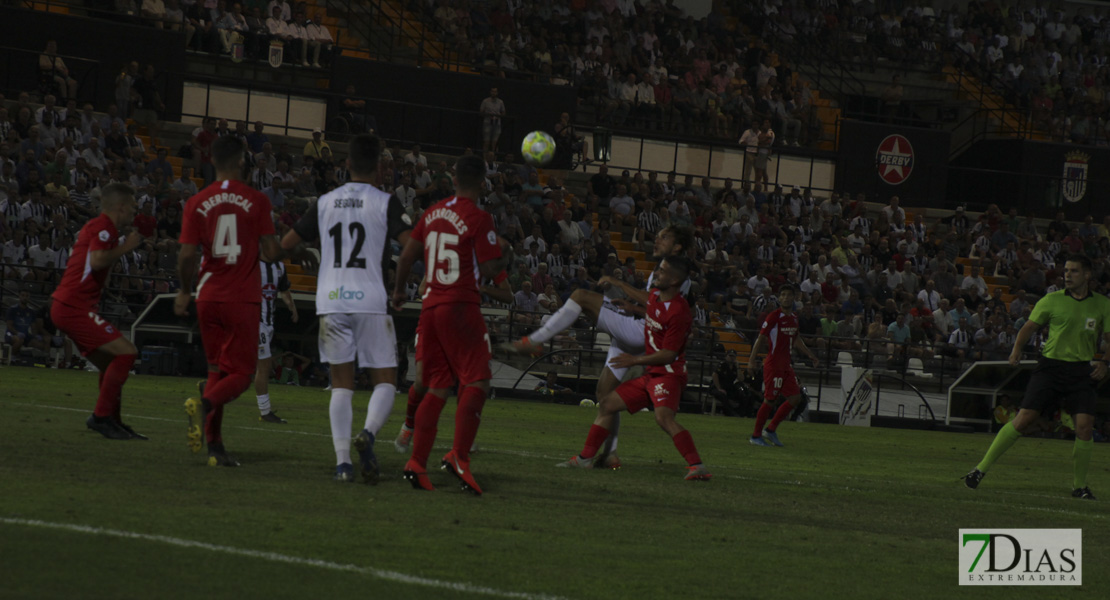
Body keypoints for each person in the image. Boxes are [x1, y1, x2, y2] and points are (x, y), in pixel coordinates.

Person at [506, 226, 694, 469]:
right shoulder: (666, 268)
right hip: (638, 330)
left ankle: (533, 341)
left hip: (640, 333)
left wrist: (618, 283)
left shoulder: (677, 272)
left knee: (582, 296)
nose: (657, 240)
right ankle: (610, 455)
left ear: (677, 246)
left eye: (665, 237)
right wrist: (632, 306)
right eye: (657, 235)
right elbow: (656, 307)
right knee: (605, 397)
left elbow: (661, 307)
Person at [282, 134, 412, 483]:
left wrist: (303, 254)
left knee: (341, 385)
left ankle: (342, 464)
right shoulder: (386, 202)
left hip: (332, 299)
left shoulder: (324, 201)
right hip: (370, 299)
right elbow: (412, 244)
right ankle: (367, 434)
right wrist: (400, 287)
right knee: (386, 381)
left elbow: (286, 244)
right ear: (381, 168)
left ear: (347, 164)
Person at [390, 154, 504, 495]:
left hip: (430, 307)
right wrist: (503, 253)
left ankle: (417, 462)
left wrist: (398, 292)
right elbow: (489, 269)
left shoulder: (433, 211)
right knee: (478, 380)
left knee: (437, 386)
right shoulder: (479, 217)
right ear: (482, 183)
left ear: (453, 180)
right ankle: (459, 457)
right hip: (459, 305)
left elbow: (408, 256)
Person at [175, 136, 287, 467]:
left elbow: (185, 255)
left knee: (216, 369)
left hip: (208, 296)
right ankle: (204, 404)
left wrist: (184, 290)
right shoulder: (257, 200)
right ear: (241, 162)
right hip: (242, 297)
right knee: (242, 372)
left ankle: (215, 447)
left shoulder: (197, 201)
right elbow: (271, 251)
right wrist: (296, 248)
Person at [963, 254, 1110, 500]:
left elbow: (1108, 340)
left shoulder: (1103, 304)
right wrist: (1016, 349)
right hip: (1050, 368)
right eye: (1066, 271)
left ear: (1087, 275)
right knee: (1022, 420)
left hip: (1081, 371)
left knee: (1084, 428)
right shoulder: (1051, 300)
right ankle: (979, 469)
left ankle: (1079, 487)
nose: (1068, 275)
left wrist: (1104, 362)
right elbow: (1029, 327)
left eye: (1074, 271)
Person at [557, 256, 711, 481]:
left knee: (663, 419)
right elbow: (647, 300)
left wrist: (634, 361)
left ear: (675, 280)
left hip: (668, 374)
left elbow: (669, 354)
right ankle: (584, 459)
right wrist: (623, 291)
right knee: (608, 404)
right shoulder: (658, 298)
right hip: (652, 374)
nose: (656, 273)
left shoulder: (679, 312)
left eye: (662, 271)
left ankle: (697, 466)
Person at [50, 183, 146, 439]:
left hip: (70, 305)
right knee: (127, 353)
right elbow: (97, 260)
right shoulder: (104, 228)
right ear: (121, 207)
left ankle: (112, 421)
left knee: (113, 362)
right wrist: (127, 247)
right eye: (133, 208)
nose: (134, 214)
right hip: (73, 306)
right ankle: (101, 417)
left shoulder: (102, 228)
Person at [746, 284, 820, 447]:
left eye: (789, 295)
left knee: (795, 398)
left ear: (794, 298)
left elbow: (796, 338)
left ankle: (770, 430)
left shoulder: (794, 318)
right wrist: (751, 360)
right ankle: (755, 435)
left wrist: (810, 355)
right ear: (779, 298)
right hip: (774, 364)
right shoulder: (774, 316)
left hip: (786, 365)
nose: (786, 298)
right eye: (783, 295)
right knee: (770, 400)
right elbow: (760, 338)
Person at [255, 259, 298, 424]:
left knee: (244, 367)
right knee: (264, 366)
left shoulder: (279, 266)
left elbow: (284, 290)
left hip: (268, 323)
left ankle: (211, 389)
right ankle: (265, 411)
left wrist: (292, 307)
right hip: (255, 320)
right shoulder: (252, 262)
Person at [480, 87, 505, 153]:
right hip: (487, 123)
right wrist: (488, 115)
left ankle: (493, 158)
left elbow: (503, 112)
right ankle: (485, 159)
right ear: (490, 92)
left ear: (497, 93)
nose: (493, 93)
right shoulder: (485, 101)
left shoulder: (500, 102)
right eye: (492, 91)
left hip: (497, 124)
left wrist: (498, 116)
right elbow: (481, 112)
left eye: (495, 92)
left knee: (495, 143)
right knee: (486, 142)